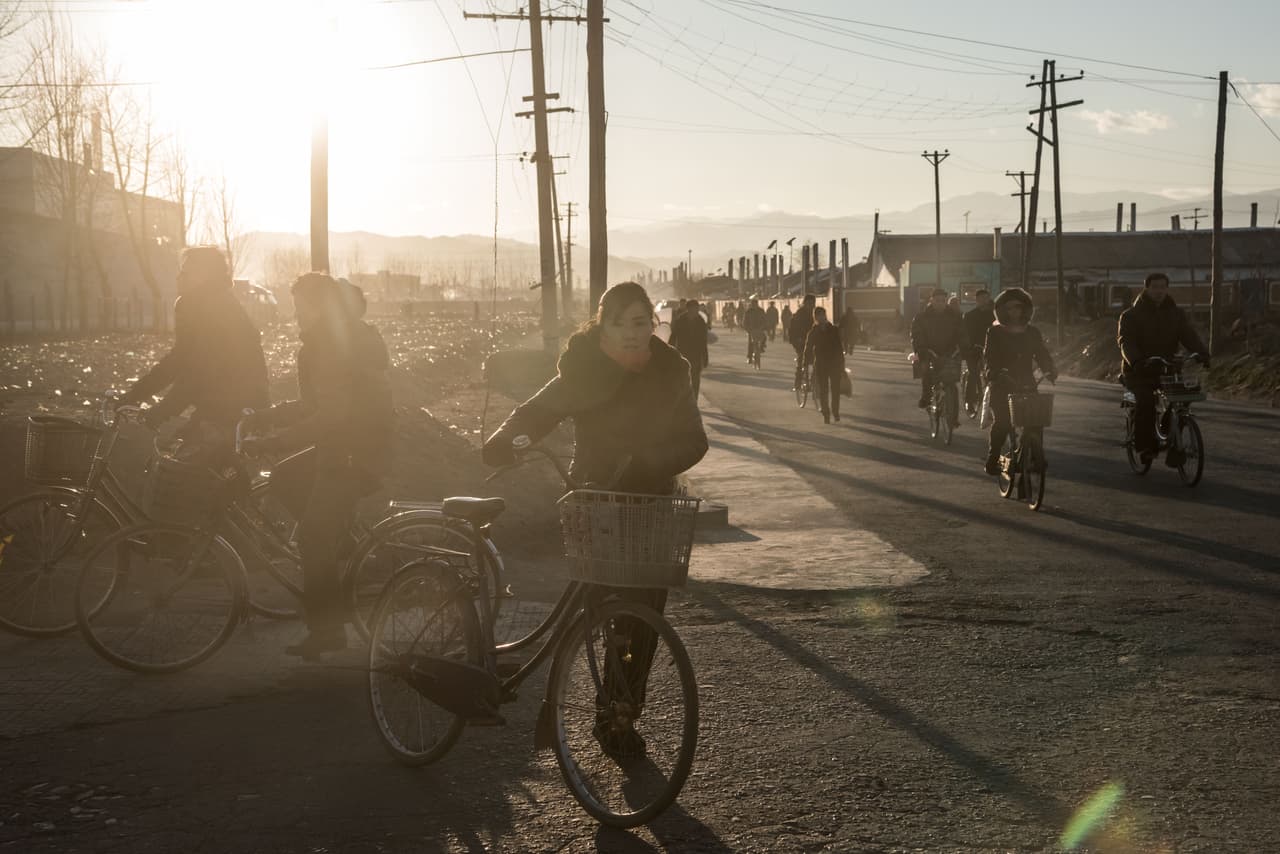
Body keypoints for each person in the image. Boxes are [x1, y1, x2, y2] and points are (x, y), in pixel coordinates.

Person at [482, 282, 708, 759]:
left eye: (641, 322)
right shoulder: (584, 366)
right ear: (602, 326)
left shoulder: (672, 370)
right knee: (606, 608)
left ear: (653, 324)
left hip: (650, 507)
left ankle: (620, 715)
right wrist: (506, 437)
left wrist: (647, 464)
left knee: (643, 616)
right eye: (619, 323)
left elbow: (694, 440)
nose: (632, 332)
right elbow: (539, 411)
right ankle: (604, 712)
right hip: (596, 499)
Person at [245, 273, 394, 658]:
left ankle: (328, 630)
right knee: (284, 476)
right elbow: (316, 405)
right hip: (350, 444)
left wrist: (275, 440)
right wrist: (268, 417)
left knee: (312, 537)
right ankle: (345, 547)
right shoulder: (329, 340)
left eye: (300, 307)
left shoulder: (328, 346)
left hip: (352, 452)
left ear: (319, 308)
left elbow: (332, 415)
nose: (295, 314)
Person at [118, 245, 268, 438]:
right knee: (179, 445)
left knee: (180, 452)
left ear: (204, 276)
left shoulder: (202, 305)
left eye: (185, 273)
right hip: (239, 404)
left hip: (233, 410)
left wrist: (159, 410)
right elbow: (182, 360)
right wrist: (138, 394)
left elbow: (197, 370)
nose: (179, 278)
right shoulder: (216, 301)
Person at [1117, 272, 1209, 466]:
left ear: (1167, 289)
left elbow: (1188, 336)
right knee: (1146, 401)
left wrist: (1202, 353)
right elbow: (1126, 342)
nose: (1159, 291)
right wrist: (1137, 362)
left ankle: (1172, 439)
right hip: (1139, 371)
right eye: (1154, 287)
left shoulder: (1176, 314)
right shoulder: (1130, 316)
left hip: (1167, 370)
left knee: (1182, 400)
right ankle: (1146, 446)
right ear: (1146, 288)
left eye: (1162, 287)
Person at [982, 288, 1057, 475]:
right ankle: (993, 457)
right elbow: (989, 357)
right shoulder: (994, 332)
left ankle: (1035, 456)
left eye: (1018, 307)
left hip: (1027, 383)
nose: (1014, 311)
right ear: (1002, 310)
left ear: (1025, 309)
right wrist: (993, 372)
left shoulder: (1032, 332)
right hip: (1002, 382)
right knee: (1003, 422)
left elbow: (1041, 354)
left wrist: (1049, 370)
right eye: (1009, 308)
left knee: (1035, 420)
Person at [909, 288, 963, 414]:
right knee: (926, 370)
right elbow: (916, 334)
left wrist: (963, 347)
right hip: (929, 351)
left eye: (943, 301)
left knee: (951, 382)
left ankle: (953, 419)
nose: (940, 303)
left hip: (949, 351)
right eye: (937, 300)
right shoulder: (921, 317)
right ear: (931, 301)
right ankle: (926, 396)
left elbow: (962, 333)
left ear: (946, 301)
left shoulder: (954, 316)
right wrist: (921, 348)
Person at [803, 306, 845, 423]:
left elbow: (839, 347)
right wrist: (805, 364)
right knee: (823, 390)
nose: (821, 318)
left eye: (822, 315)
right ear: (815, 318)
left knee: (835, 389)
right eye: (818, 316)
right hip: (821, 365)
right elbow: (808, 349)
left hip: (834, 364)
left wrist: (841, 364)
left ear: (825, 316)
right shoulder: (813, 332)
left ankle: (835, 412)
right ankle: (826, 414)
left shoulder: (833, 330)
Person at [962, 289, 996, 416]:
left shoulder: (994, 315)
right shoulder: (969, 316)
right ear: (976, 300)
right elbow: (965, 334)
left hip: (990, 349)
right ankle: (969, 401)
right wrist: (970, 346)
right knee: (973, 373)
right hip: (973, 350)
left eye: (986, 298)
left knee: (995, 374)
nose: (984, 301)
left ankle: (994, 402)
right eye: (981, 299)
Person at [669, 297, 710, 398]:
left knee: (695, 379)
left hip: (696, 354)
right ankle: (684, 399)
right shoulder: (680, 321)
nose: (695, 311)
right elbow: (673, 337)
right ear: (688, 309)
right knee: (683, 378)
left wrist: (705, 357)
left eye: (696, 309)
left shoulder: (701, 322)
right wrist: (670, 352)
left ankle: (694, 400)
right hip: (683, 353)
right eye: (693, 309)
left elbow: (703, 341)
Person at [789, 294, 817, 390]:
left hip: (812, 341)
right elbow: (793, 329)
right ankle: (797, 383)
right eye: (809, 303)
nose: (811, 305)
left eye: (812, 303)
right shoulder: (799, 314)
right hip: (800, 341)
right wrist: (797, 339)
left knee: (818, 360)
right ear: (805, 303)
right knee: (802, 359)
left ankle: (814, 380)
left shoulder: (815, 314)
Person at [743, 298, 768, 364]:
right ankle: (749, 357)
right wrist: (747, 329)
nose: (754, 305)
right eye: (753, 304)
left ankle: (761, 347)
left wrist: (764, 327)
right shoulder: (748, 311)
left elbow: (765, 320)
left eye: (755, 304)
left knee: (764, 338)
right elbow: (745, 322)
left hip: (760, 329)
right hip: (751, 330)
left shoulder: (761, 311)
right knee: (750, 344)